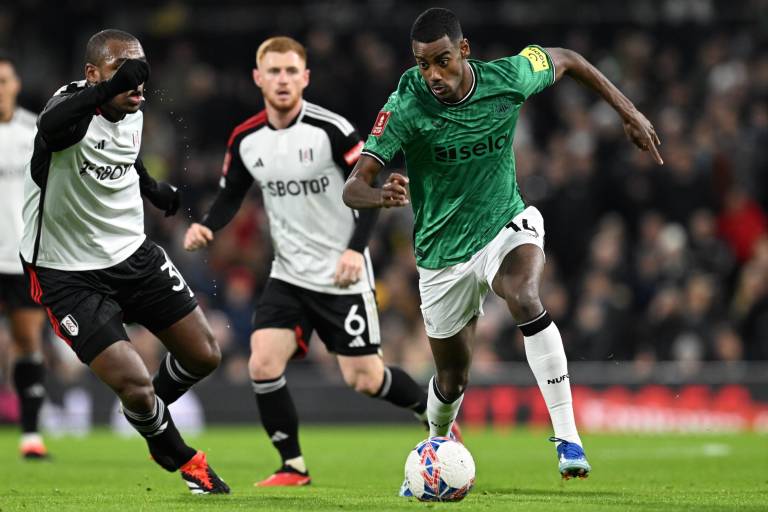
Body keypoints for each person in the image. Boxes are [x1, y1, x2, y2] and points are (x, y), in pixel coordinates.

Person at [343, 7, 663, 483]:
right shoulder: (405, 105)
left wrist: (629, 111)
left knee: (524, 295)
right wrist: (381, 195)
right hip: (441, 255)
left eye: (442, 61)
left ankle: (568, 437)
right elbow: (353, 186)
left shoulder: (508, 77)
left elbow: (569, 59)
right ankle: (435, 443)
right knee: (452, 381)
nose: (432, 74)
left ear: (464, 50)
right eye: (422, 64)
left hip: (505, 223)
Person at [184, 36, 457, 487]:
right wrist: (209, 226)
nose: (283, 80)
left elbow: (366, 190)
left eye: (292, 71)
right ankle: (293, 466)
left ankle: (431, 413)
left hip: (340, 273)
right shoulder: (246, 138)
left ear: (305, 77)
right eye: (274, 71)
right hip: (288, 274)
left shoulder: (331, 131)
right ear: (258, 78)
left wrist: (355, 249)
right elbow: (232, 193)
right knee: (262, 364)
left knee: (365, 379)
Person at [19, 29, 229, 494]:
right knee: (134, 382)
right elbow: (52, 129)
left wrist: (151, 187)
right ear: (92, 75)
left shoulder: (132, 107)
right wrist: (105, 90)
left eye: (141, 70)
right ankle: (178, 455)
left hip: (132, 255)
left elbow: (124, 155)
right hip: (67, 271)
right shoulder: (69, 110)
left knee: (204, 355)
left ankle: (147, 411)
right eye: (122, 70)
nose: (136, 81)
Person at [0, 52, 50, 459]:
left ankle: (31, 436)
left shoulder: (34, 130)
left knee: (27, 340)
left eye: (4, 80)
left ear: (16, 85)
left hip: (21, 258)